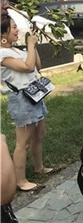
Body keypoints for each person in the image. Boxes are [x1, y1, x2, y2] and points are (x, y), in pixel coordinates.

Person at [1, 17, 52, 192]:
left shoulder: (16, 50)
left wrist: (33, 45)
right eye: (13, 28)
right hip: (21, 99)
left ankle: (39, 167)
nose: (17, 31)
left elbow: (37, 65)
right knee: (23, 142)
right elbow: (28, 68)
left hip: (35, 95)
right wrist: (30, 45)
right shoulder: (2, 54)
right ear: (3, 34)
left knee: (39, 134)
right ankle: (20, 181)